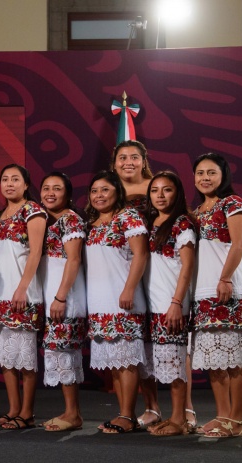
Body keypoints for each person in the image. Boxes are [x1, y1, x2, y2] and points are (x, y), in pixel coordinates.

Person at [190, 153, 242, 438]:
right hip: (204, 291)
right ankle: (222, 416)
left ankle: (236, 421)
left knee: (235, 357)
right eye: (200, 173)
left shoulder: (233, 203)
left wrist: (225, 278)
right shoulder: (198, 210)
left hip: (229, 288)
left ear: (223, 175)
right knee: (215, 358)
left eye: (211, 173)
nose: (205, 178)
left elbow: (237, 245)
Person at [84, 170, 148, 434]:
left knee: (127, 360)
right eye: (94, 191)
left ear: (117, 192)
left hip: (124, 299)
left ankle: (128, 415)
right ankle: (125, 414)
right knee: (115, 363)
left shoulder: (128, 218)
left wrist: (129, 289)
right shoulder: (94, 223)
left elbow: (141, 254)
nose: (99, 196)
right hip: (100, 302)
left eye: (105, 190)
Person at [0, 164, 46, 430]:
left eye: (15, 179)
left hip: (24, 293)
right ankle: (12, 409)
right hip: (0, 294)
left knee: (25, 357)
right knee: (7, 356)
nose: (9, 184)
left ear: (26, 183)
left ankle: (27, 412)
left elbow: (35, 253)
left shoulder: (33, 210)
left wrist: (22, 287)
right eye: (5, 179)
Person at [110, 139, 160, 429]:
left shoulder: (156, 186)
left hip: (158, 264)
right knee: (138, 343)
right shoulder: (110, 191)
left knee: (168, 341)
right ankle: (151, 407)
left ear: (144, 160)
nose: (127, 162)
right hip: (123, 270)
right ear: (114, 162)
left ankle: (186, 409)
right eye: (122, 157)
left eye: (134, 157)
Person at [142, 171, 196, 436]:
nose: (160, 196)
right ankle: (168, 416)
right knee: (158, 362)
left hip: (170, 303)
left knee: (174, 362)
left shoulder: (182, 223)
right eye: (155, 190)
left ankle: (179, 420)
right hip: (151, 303)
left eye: (167, 190)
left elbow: (187, 267)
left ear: (178, 194)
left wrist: (176, 302)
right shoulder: (151, 222)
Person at [38, 172, 87, 432]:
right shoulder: (45, 219)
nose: (50, 193)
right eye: (46, 188)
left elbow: (74, 260)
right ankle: (70, 411)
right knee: (60, 351)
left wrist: (60, 296)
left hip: (65, 297)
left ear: (68, 193)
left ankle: (73, 414)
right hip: (51, 296)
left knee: (66, 351)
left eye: (57, 188)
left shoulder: (71, 220)